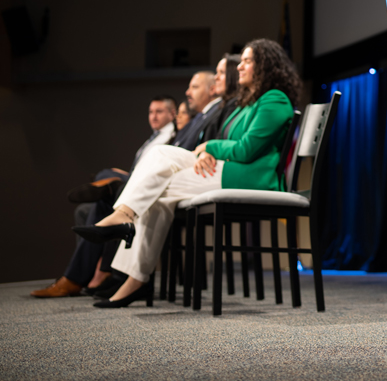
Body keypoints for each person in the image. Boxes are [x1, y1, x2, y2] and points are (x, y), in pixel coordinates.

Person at [73, 38, 301, 308]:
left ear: (266, 66)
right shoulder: (249, 102)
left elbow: (247, 149)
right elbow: (231, 143)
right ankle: (130, 262)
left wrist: (209, 146)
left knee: (157, 185)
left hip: (250, 179)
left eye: (247, 61)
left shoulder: (275, 99)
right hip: (228, 169)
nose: (239, 66)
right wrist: (207, 152)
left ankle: (130, 256)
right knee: (158, 162)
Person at [30, 96, 177, 298]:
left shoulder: (172, 136)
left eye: (159, 111)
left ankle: (77, 278)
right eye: (151, 112)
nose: (154, 116)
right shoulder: (151, 139)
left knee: (106, 183)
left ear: (172, 114)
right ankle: (100, 272)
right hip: (136, 184)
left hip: (151, 189)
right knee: (85, 210)